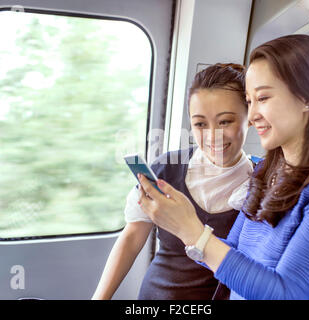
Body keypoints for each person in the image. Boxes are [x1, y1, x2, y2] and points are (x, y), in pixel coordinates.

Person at [137, 34, 309, 300]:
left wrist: (191, 230)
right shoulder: (267, 172)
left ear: (307, 97)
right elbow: (234, 253)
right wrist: (182, 223)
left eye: (263, 98)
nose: (253, 114)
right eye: (249, 101)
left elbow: (290, 294)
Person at [93, 63, 254, 300]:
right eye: (200, 124)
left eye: (225, 121)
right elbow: (132, 238)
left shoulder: (261, 185)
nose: (212, 136)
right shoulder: (166, 169)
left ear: (250, 116)